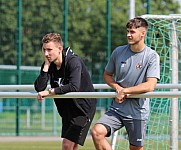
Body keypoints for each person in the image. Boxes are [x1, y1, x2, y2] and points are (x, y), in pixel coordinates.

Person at [91, 17, 160, 150]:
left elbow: (150, 85)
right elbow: (107, 75)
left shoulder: (152, 56)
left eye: (132, 32)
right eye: (128, 31)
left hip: (138, 112)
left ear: (143, 33)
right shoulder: (118, 52)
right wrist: (117, 88)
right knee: (97, 132)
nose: (128, 34)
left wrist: (125, 91)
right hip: (117, 109)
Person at [34, 33, 97, 150]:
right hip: (68, 109)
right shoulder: (49, 63)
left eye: (49, 50)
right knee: (73, 146)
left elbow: (74, 86)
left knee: (67, 145)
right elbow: (39, 87)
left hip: (82, 109)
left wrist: (50, 91)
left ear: (59, 49)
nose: (46, 53)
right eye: (44, 50)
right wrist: (46, 66)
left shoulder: (73, 61)